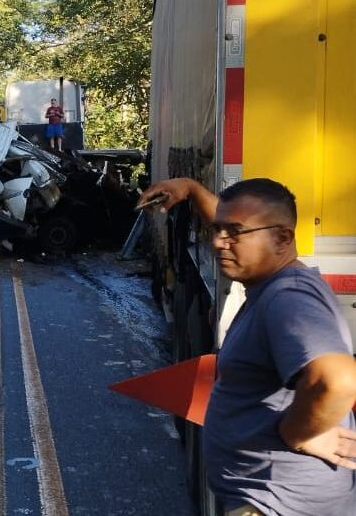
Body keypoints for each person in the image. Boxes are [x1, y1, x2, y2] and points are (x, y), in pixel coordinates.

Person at [138, 177, 356, 516]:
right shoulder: (271, 281)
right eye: (217, 229)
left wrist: (300, 433)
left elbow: (338, 381)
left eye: (233, 233)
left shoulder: (289, 298)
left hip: (275, 505)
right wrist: (193, 191)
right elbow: (246, 225)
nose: (219, 243)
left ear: (283, 238)